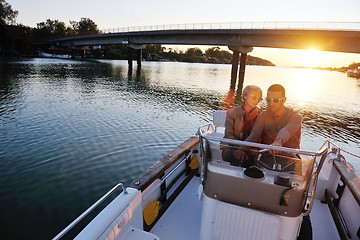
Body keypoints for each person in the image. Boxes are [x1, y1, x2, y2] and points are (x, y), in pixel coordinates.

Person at [237, 84, 303, 170]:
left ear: (284, 100)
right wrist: (241, 149)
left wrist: (278, 141)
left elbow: (287, 130)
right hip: (268, 156)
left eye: (275, 100)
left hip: (290, 158)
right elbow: (254, 135)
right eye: (268, 100)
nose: (271, 103)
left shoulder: (295, 116)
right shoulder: (263, 116)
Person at [221, 85, 263, 167]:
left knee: (251, 159)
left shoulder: (261, 115)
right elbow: (229, 135)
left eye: (259, 99)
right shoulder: (231, 113)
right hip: (232, 146)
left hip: (252, 149)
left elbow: (257, 136)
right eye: (254, 97)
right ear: (245, 96)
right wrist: (240, 148)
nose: (257, 101)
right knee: (235, 155)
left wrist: (245, 149)